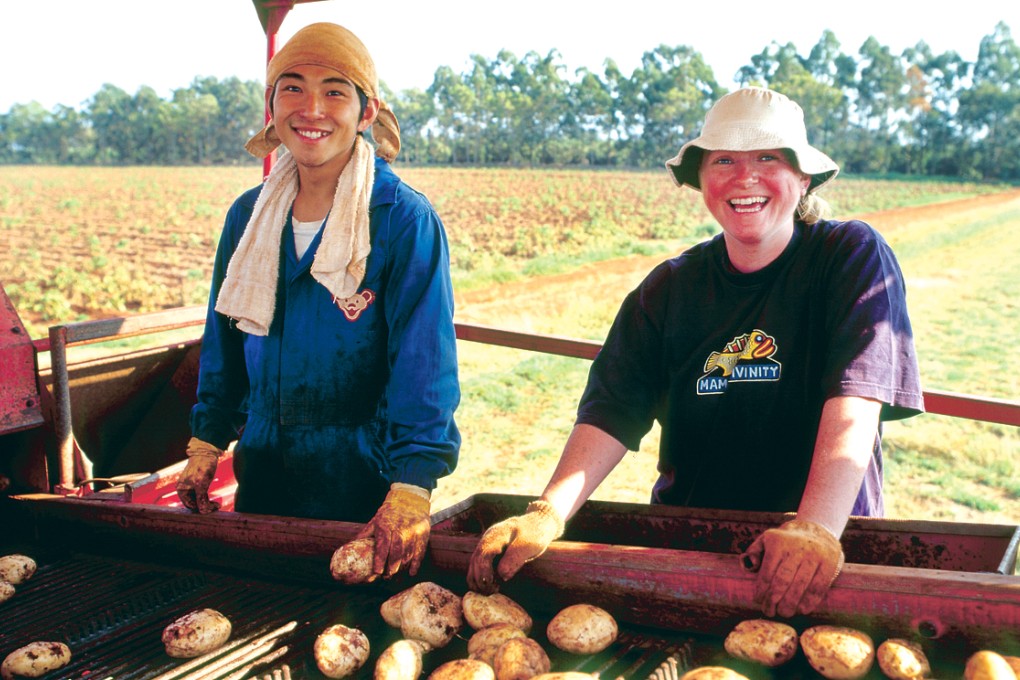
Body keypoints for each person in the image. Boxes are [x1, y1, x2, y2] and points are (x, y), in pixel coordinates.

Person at [467, 87, 923, 617]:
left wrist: (815, 529)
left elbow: (857, 396)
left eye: (767, 158)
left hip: (821, 553)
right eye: (723, 159)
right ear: (702, 180)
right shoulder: (669, 289)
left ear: (802, 179)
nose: (744, 176)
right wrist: (548, 511)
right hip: (694, 548)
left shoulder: (848, 256)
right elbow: (612, 412)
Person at [175, 22, 461, 581]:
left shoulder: (400, 220)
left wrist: (412, 484)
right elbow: (226, 340)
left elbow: (424, 364)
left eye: (335, 90)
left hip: (365, 480)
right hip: (264, 471)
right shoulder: (249, 217)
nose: (312, 108)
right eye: (292, 88)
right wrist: (207, 439)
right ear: (271, 103)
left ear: (367, 111)